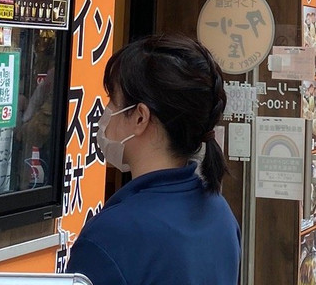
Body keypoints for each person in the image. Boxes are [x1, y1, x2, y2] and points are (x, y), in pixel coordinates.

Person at [65, 34, 240, 285]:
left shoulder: (112, 233)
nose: (105, 115)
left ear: (139, 117)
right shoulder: (220, 213)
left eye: (112, 101)